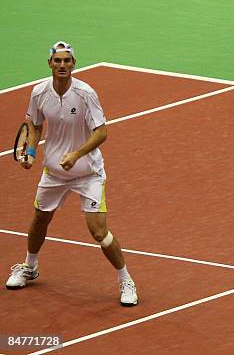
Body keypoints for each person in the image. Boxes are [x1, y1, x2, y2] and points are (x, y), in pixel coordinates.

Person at [5, 41, 138, 305]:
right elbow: (35, 124)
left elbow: (102, 132)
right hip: (54, 173)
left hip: (88, 173)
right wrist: (30, 153)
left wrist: (76, 155)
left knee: (99, 232)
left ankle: (126, 281)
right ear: (50, 64)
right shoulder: (39, 92)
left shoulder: (86, 93)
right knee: (40, 219)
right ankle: (29, 267)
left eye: (67, 61)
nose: (62, 65)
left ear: (74, 64)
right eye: (58, 61)